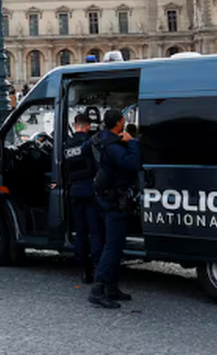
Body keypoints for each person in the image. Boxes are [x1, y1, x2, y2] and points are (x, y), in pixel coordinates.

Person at [88, 109, 141, 309]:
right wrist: (133, 142)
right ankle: (98, 289)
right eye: (123, 120)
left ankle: (111, 287)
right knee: (112, 247)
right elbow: (133, 163)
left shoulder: (100, 139)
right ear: (119, 122)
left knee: (115, 246)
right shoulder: (114, 146)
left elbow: (84, 152)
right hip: (114, 200)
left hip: (106, 197)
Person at [64, 113, 103, 284]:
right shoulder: (90, 143)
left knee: (80, 232)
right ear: (87, 126)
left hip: (74, 191)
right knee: (94, 231)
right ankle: (96, 267)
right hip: (90, 190)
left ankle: (84, 269)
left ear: (75, 125)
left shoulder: (67, 145)